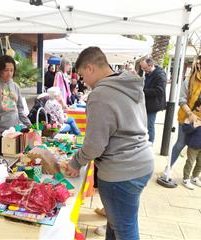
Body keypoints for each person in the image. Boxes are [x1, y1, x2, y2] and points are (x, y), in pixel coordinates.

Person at [66, 47, 154, 239]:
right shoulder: (129, 84)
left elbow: (94, 145)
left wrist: (74, 163)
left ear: (90, 68)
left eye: (82, 75)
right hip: (141, 161)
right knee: (119, 223)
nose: (84, 82)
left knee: (124, 228)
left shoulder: (100, 94)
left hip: (121, 171)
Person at [0, 55, 31, 158]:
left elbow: (20, 110)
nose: (9, 73)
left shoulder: (15, 86)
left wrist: (30, 126)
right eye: (6, 70)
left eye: (12, 70)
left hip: (14, 133)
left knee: (15, 164)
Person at [164, 57, 201, 178]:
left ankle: (193, 176)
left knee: (196, 147)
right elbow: (182, 99)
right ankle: (168, 168)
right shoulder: (190, 79)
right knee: (181, 143)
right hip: (187, 117)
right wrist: (190, 113)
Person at [140, 58, 167, 143]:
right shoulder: (149, 73)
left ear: (151, 65)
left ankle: (150, 143)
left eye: (145, 68)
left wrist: (143, 91)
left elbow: (160, 91)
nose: (143, 70)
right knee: (145, 124)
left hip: (153, 104)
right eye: (142, 68)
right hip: (147, 103)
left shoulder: (160, 75)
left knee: (150, 125)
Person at [181, 97, 201, 190]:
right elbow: (185, 129)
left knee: (200, 163)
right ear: (198, 107)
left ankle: (195, 177)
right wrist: (193, 126)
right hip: (194, 144)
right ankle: (185, 178)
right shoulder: (192, 116)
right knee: (190, 162)